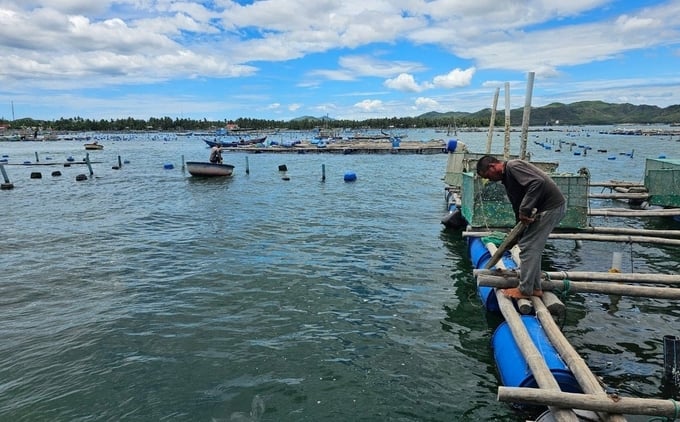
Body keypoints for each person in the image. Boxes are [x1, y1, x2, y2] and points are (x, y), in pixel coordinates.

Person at [476, 155, 566, 299]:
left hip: (550, 207)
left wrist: (525, 210)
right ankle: (534, 287)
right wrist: (518, 232)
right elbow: (517, 204)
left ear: (493, 166)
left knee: (529, 247)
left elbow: (537, 182)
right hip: (545, 209)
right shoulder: (507, 179)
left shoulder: (513, 166)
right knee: (527, 245)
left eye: (488, 176)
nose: (490, 180)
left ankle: (525, 290)